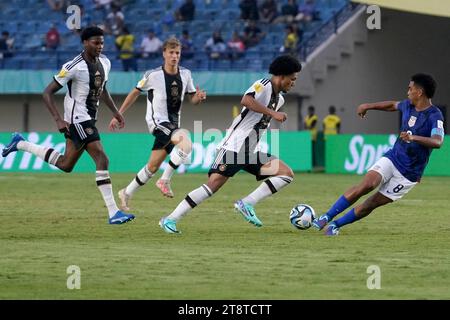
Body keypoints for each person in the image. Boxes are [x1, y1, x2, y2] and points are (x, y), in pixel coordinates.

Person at [1, 26, 135, 225]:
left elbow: (102, 89)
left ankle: (21, 144)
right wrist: (58, 119)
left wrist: (116, 112)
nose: (99, 46)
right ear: (84, 43)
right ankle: (113, 212)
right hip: (77, 119)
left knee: (66, 164)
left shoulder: (105, 63)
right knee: (102, 158)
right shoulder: (74, 66)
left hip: (90, 118)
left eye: (101, 42)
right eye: (95, 42)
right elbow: (47, 93)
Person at [159, 55, 302, 234]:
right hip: (235, 146)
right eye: (292, 79)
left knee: (285, 173)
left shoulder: (279, 99)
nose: (293, 83)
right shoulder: (263, 85)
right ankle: (170, 219)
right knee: (213, 185)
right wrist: (272, 113)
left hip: (250, 150)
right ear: (282, 76)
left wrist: (272, 112)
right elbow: (246, 100)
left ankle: (247, 203)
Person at [312, 73, 444, 236]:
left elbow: (437, 142)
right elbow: (391, 105)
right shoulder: (407, 105)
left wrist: (413, 137)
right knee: (366, 185)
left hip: (409, 174)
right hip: (393, 158)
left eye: (410, 88)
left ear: (420, 92)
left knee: (371, 203)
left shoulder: (434, 115)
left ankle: (336, 225)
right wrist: (368, 106)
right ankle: (326, 216)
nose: (407, 92)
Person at [109, 37, 206, 211]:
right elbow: (134, 93)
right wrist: (118, 114)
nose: (174, 56)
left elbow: (192, 98)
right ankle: (165, 180)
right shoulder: (152, 75)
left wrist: (198, 98)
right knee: (186, 143)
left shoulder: (186, 74)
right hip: (158, 122)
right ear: (164, 54)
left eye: (177, 53)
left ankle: (126, 192)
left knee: (152, 166)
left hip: (173, 124)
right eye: (171, 52)